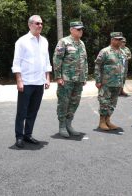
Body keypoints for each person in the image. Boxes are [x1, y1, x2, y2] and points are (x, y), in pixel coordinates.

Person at [12, 15, 51, 148]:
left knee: (33, 111)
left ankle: (28, 135)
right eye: (37, 23)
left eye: (41, 23)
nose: (40, 25)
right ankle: (19, 137)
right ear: (30, 25)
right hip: (26, 82)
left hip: (39, 82)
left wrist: (47, 78)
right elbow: (16, 62)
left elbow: (46, 61)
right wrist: (19, 80)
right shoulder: (22, 41)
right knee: (22, 111)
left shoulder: (44, 41)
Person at [53, 21, 88, 137]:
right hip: (66, 79)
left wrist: (84, 76)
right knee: (64, 102)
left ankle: (69, 124)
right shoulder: (64, 42)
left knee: (74, 103)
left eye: (81, 29)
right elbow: (57, 59)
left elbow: (85, 61)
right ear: (71, 30)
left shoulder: (82, 43)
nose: (80, 31)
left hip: (78, 79)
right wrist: (58, 76)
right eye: (78, 29)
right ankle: (62, 126)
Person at [94, 32, 125, 131]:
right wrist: (98, 81)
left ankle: (108, 120)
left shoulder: (122, 52)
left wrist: (122, 82)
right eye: (117, 39)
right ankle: (102, 122)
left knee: (112, 103)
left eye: (120, 39)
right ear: (112, 40)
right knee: (104, 102)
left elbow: (123, 67)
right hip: (106, 82)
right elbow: (97, 66)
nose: (119, 41)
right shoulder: (105, 51)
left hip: (117, 83)